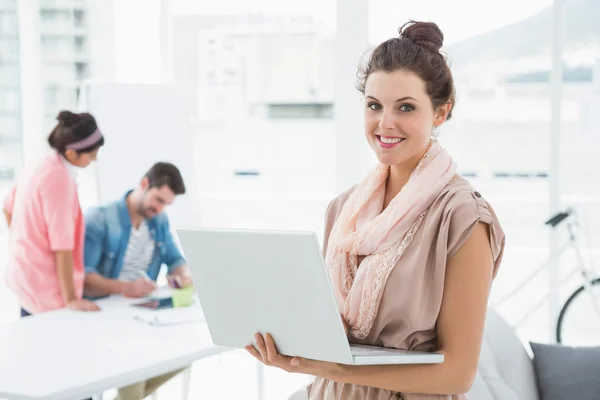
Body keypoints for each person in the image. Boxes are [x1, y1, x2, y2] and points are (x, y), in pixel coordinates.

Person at [245, 20, 506, 400]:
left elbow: (457, 374)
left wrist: (330, 365)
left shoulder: (463, 218)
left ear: (440, 113)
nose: (385, 123)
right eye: (374, 105)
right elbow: (334, 334)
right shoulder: (343, 210)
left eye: (405, 107)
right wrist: (293, 341)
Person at [82, 162, 192, 400]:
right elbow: (85, 279)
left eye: (166, 204)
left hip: (142, 312)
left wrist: (182, 274)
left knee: (188, 351)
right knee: (134, 372)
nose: (160, 209)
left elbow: (174, 259)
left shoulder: (158, 221)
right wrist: (128, 288)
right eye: (159, 200)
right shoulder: (99, 219)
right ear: (144, 184)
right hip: (106, 313)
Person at [3, 110, 105, 317]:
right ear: (71, 153)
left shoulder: (39, 164)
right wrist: (71, 299)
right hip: (44, 286)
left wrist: (24, 243)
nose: (94, 160)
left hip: (25, 275)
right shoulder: (60, 180)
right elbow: (62, 245)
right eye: (92, 154)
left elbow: (7, 207)